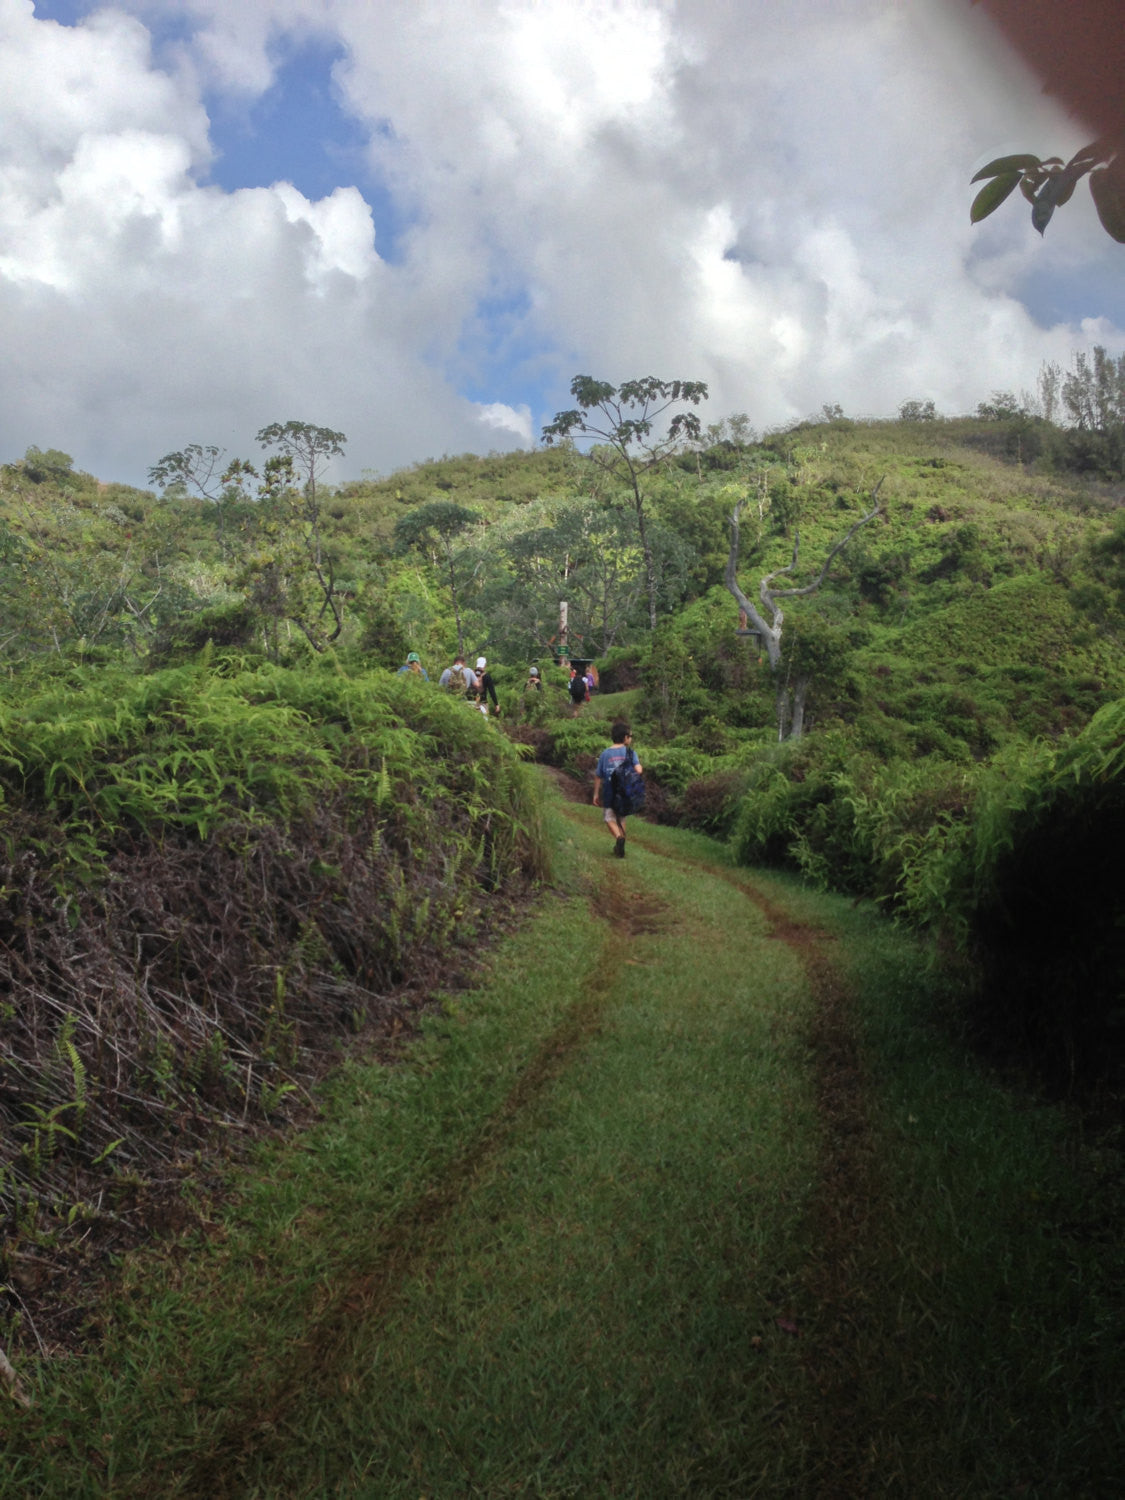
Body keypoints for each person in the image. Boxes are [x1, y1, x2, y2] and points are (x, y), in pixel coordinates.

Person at [593, 721, 643, 859]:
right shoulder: (630, 753)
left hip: (610, 790)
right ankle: (621, 842)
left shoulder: (605, 754)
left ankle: (619, 838)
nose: (631, 739)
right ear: (625, 737)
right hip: (625, 791)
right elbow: (639, 770)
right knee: (621, 818)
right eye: (630, 736)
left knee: (609, 818)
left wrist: (596, 794)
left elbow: (598, 775)